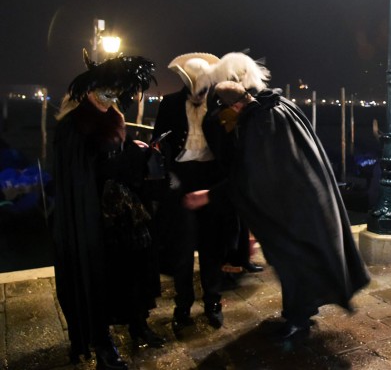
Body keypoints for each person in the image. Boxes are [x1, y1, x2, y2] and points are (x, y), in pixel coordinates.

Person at [183, 52, 371, 343]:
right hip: (307, 199)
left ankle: (297, 320)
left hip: (292, 209)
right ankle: (302, 310)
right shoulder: (281, 104)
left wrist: (209, 195)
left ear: (234, 102)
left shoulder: (261, 120)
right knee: (304, 258)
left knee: (292, 259)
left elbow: (253, 175)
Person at [52, 52, 165, 370]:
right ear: (88, 90)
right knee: (99, 278)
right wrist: (125, 162)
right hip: (93, 217)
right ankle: (103, 345)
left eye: (115, 94)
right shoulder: (73, 127)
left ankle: (137, 325)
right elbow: (85, 172)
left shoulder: (112, 116)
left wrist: (135, 149)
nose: (110, 99)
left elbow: (113, 152)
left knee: (134, 270)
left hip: (124, 211)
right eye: (105, 93)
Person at [151, 52, 232, 330]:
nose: (199, 95)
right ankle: (182, 304)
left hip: (212, 178)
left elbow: (230, 144)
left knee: (213, 245)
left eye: (204, 90)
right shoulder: (170, 103)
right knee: (181, 249)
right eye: (193, 90)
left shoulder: (221, 105)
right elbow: (158, 139)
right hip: (181, 179)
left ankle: (212, 301)